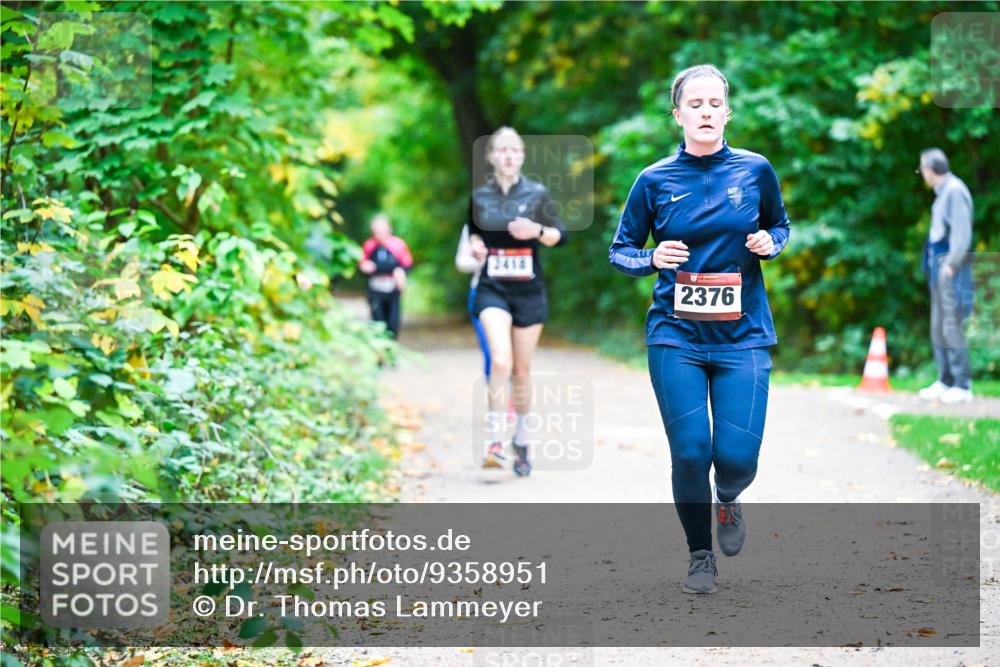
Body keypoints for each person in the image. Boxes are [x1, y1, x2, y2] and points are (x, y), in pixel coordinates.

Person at [608, 64, 790, 594]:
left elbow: (779, 224)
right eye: (696, 104)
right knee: (690, 452)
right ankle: (699, 556)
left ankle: (728, 499)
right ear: (678, 115)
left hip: (743, 336)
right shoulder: (654, 180)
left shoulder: (756, 171)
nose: (706, 112)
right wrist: (652, 257)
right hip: (675, 336)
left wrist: (770, 244)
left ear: (726, 111)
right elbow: (620, 251)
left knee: (736, 460)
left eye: (715, 103)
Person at [468, 126, 568, 477]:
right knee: (500, 360)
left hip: (528, 290)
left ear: (522, 156)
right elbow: (473, 240)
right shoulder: (480, 197)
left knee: (522, 371)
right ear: (492, 156)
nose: (508, 156)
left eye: (515, 150)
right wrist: (477, 247)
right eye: (502, 150)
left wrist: (537, 231)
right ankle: (495, 441)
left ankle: (522, 440)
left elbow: (560, 236)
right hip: (493, 287)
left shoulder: (537, 194)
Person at [916, 148, 975, 404]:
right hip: (938, 267)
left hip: (951, 267)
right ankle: (945, 380)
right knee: (938, 325)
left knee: (952, 324)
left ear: (931, 169)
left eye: (922, 169)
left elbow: (961, 233)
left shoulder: (954, 191)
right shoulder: (942, 194)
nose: (922, 174)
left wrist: (951, 264)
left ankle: (962, 384)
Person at [359, 214, 413, 339]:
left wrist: (398, 272)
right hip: (375, 290)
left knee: (393, 322)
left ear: (389, 229)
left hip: (393, 290)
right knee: (377, 321)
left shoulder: (398, 245)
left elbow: (407, 265)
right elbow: (362, 267)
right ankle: (380, 353)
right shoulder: (369, 246)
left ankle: (391, 350)